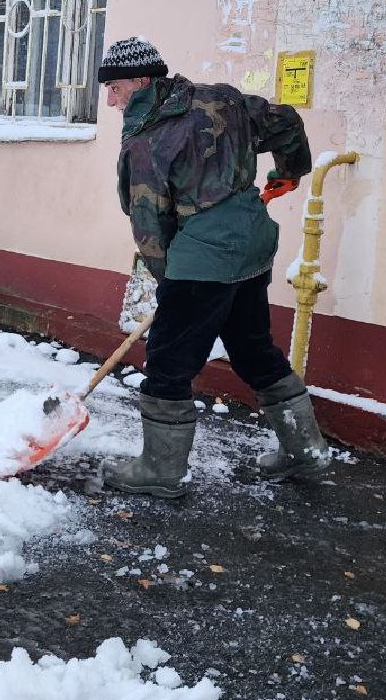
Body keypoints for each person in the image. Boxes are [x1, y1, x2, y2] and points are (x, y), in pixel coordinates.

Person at [98, 35, 331, 498]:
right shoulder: (222, 98)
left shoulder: (147, 141)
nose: (110, 100)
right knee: (251, 347)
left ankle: (161, 472)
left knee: (168, 361)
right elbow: (286, 122)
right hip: (251, 245)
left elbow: (149, 227)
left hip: (202, 259)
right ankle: (305, 451)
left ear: (143, 81)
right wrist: (290, 171)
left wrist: (171, 288)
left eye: (116, 89)